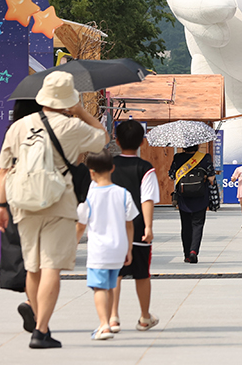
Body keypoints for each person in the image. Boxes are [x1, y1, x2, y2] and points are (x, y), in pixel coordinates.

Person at [0, 71, 108, 349]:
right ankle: (41, 331)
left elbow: (5, 169)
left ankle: (37, 317)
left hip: (22, 204)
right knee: (51, 266)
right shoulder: (71, 126)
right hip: (59, 203)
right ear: (68, 100)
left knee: (32, 268)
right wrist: (80, 112)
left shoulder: (19, 126)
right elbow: (102, 139)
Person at [0, 99, 41, 336]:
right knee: (40, 256)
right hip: (42, 198)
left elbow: (4, 171)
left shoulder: (13, 131)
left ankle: (33, 306)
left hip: (13, 198)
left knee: (23, 251)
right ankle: (34, 307)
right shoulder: (47, 129)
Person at [76, 151, 138, 341]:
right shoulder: (123, 193)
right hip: (119, 248)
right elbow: (129, 223)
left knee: (99, 288)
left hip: (99, 250)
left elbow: (81, 224)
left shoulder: (90, 196)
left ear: (91, 172)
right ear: (112, 168)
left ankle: (104, 325)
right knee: (110, 286)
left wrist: (71, 246)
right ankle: (111, 320)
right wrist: (128, 249)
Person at [110, 120, 161, 333]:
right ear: (142, 141)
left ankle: (113, 317)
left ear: (117, 140)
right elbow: (147, 199)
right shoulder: (145, 169)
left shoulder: (108, 165)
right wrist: (148, 227)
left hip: (112, 227)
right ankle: (144, 317)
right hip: (138, 227)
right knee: (142, 273)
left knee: (115, 273)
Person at [169, 144, 216, 263]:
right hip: (200, 197)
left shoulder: (177, 157)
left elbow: (171, 175)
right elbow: (211, 178)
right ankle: (193, 251)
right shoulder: (205, 157)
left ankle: (186, 254)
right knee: (198, 225)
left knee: (186, 226)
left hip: (183, 198)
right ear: (198, 145)